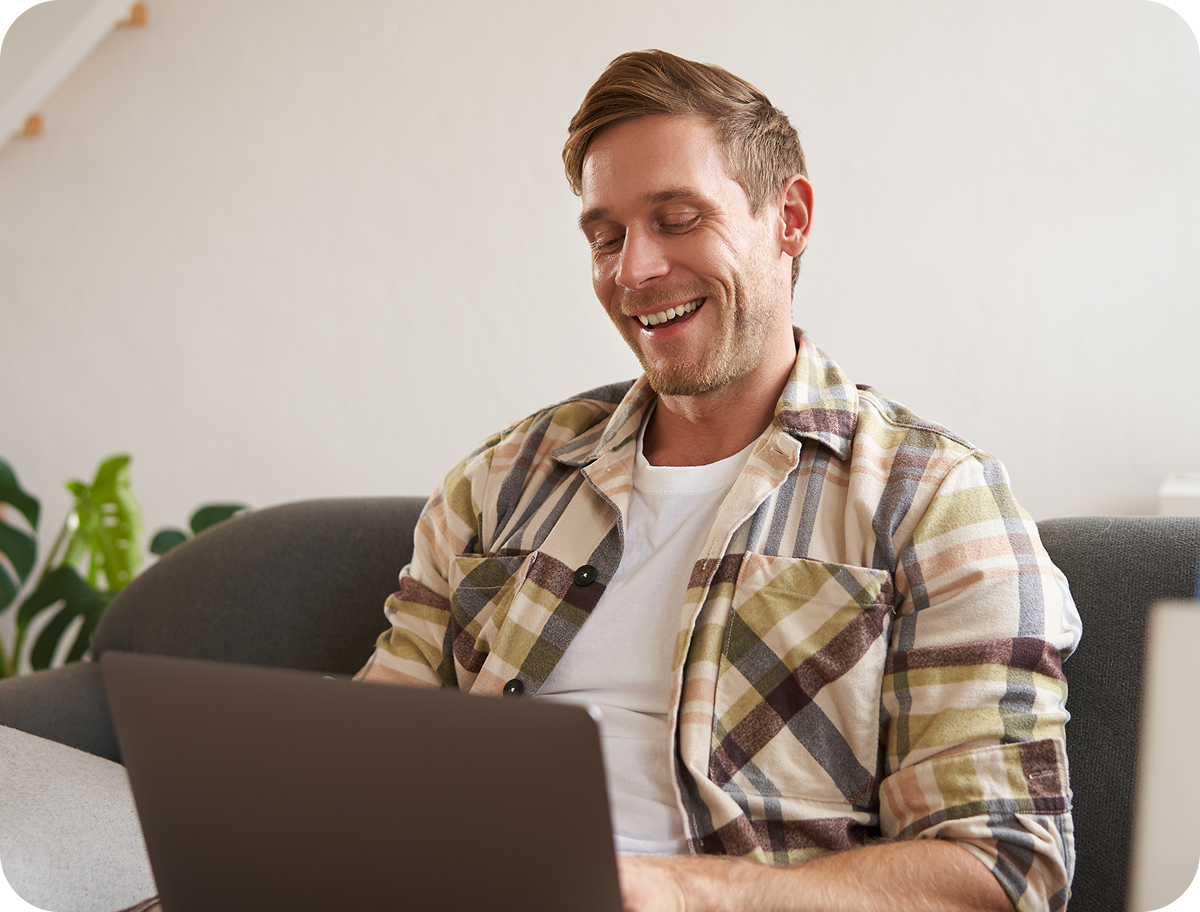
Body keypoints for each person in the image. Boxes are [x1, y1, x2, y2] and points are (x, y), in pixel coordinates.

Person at [354, 49, 1081, 912]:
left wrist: (667, 893)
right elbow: (362, 760)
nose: (634, 271)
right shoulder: (499, 484)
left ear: (790, 217)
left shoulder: (932, 502)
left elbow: (1000, 870)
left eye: (677, 218)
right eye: (606, 236)